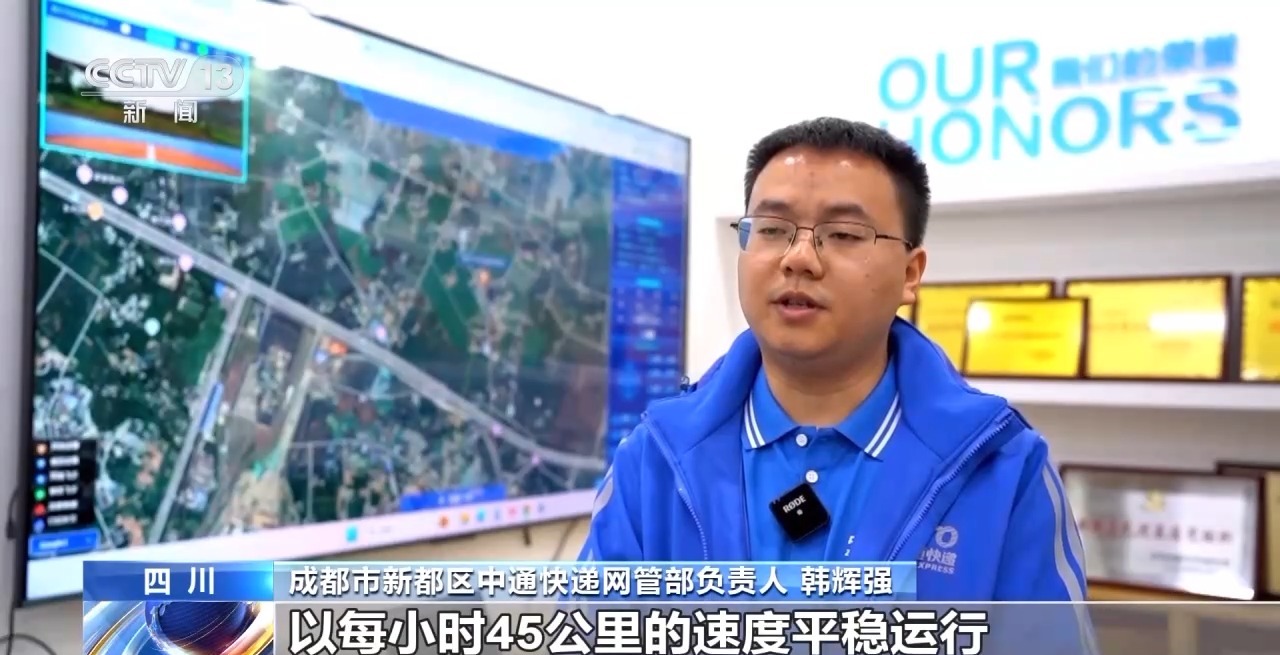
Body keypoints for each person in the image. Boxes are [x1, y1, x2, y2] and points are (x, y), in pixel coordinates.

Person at [580, 117, 1091, 605]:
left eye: (844, 234)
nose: (798, 258)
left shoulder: (1004, 470)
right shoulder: (654, 458)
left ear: (910, 273)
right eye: (771, 229)